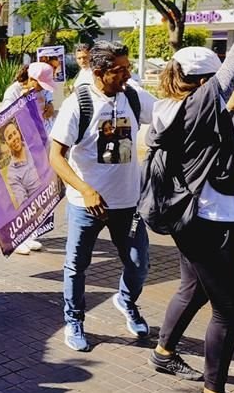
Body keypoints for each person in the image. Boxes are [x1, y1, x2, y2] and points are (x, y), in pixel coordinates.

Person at [146, 0, 234, 393]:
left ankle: (165, 352)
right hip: (210, 219)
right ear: (203, 83)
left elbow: (200, 130)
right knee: (232, 309)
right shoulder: (201, 103)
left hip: (189, 217)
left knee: (194, 287)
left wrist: (227, 107)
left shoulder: (169, 107)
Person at [49, 40, 157, 351]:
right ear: (99, 72)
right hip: (87, 206)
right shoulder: (78, 104)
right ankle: (75, 319)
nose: (127, 75)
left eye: (128, 68)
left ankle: (125, 300)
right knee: (76, 266)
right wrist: (85, 189)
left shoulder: (132, 96)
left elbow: (170, 113)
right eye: (120, 70)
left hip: (128, 203)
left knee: (139, 263)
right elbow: (55, 156)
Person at [1, 62, 57, 254]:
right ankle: (17, 237)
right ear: (31, 79)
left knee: (36, 192)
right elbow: (4, 121)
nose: (42, 89)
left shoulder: (42, 92)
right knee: (19, 194)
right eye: (40, 84)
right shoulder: (14, 92)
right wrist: (21, 104)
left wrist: (50, 109)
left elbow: (47, 111)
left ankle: (30, 233)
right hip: (18, 152)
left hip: (38, 147)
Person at [0, 120, 43, 210]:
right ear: (7, 143)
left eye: (14, 133)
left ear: (18, 132)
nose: (14, 138)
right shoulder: (12, 174)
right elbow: (23, 203)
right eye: (10, 137)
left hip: (53, 196)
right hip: (39, 208)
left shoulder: (33, 147)